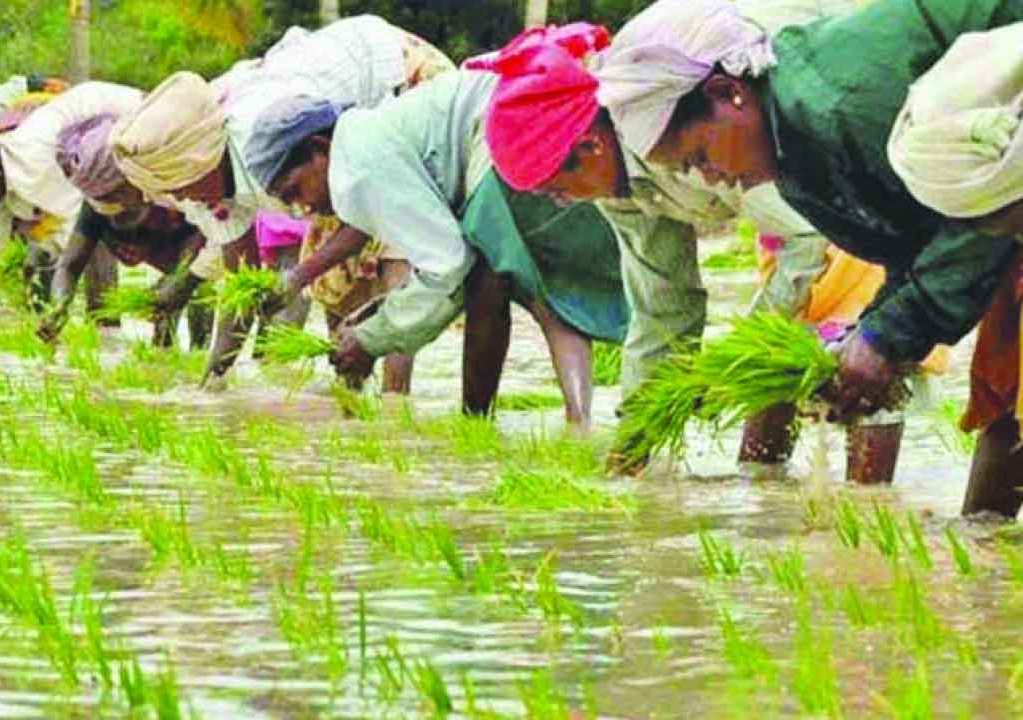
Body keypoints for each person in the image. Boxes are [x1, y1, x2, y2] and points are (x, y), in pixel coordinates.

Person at [602, 0, 1023, 517]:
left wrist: (883, 339)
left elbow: (989, 200)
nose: (707, 179)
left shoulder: (837, 109)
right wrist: (874, 335)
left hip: (1008, 164)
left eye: (699, 157)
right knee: (1004, 385)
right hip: (1001, 188)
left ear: (728, 92)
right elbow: (915, 245)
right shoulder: (791, 162)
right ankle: (988, 563)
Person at [245, 24, 630, 429]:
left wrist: (372, 339)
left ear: (320, 151)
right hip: (510, 120)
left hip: (503, 133)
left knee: (514, 281)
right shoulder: (362, 145)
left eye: (294, 189)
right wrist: (378, 317)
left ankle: (502, 422)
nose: (299, 206)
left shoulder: (356, 169)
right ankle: (577, 424)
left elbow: (446, 264)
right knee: (546, 294)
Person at [110, 14, 454, 387]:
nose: (180, 199)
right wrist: (213, 379)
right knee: (334, 284)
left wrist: (294, 278)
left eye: (181, 186)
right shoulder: (203, 186)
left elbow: (365, 219)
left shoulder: (266, 134)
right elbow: (241, 280)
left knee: (395, 249)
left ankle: (393, 403)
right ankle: (351, 393)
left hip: (398, 77)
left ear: (204, 163)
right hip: (337, 148)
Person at [0, 81, 133, 323]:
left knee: (94, 236)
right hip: (100, 147)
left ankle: (106, 324)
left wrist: (60, 306)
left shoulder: (33, 164)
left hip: (128, 124)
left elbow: (82, 223)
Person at [44, 113, 214, 348]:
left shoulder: (171, 191)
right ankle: (165, 358)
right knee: (162, 337)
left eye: (119, 195)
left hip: (191, 248)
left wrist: (180, 280)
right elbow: (69, 266)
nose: (114, 207)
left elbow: (205, 243)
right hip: (156, 250)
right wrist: (58, 306)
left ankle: (199, 355)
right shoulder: (96, 207)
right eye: (105, 200)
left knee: (196, 293)